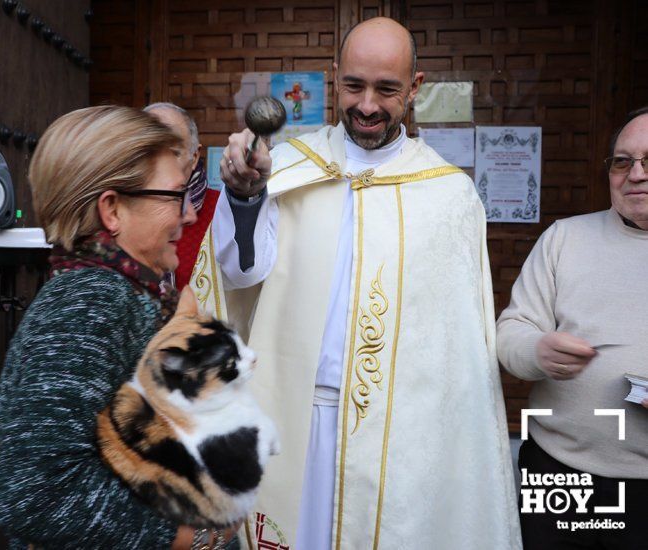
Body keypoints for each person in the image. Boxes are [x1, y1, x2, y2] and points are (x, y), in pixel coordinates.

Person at [192, 17, 521, 549]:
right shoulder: (287, 169)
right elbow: (239, 276)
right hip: (293, 414)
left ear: (415, 88)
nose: (367, 105)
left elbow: (459, 349)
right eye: (354, 86)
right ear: (335, 75)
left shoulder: (448, 197)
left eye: (387, 89)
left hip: (401, 435)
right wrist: (246, 200)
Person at [0, 105, 240, 549]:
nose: (186, 216)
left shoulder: (122, 294)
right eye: (174, 196)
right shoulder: (88, 301)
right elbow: (35, 494)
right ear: (112, 210)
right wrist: (188, 534)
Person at [497, 107, 648, 549]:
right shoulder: (565, 238)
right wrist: (536, 351)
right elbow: (512, 331)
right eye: (623, 162)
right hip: (558, 471)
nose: (635, 174)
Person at [144, 102, 220, 290]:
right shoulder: (121, 207)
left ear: (194, 157)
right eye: (149, 150)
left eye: (173, 153)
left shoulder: (222, 209)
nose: (158, 164)